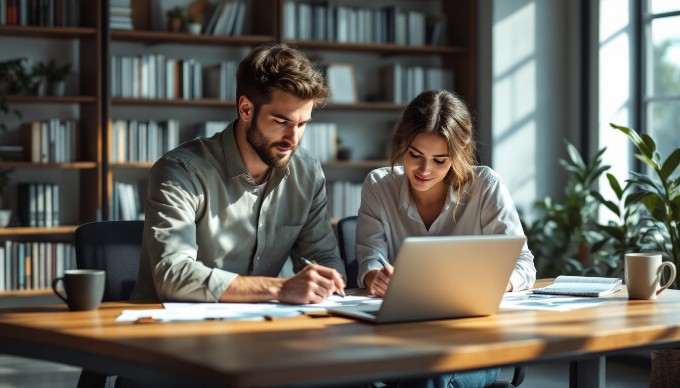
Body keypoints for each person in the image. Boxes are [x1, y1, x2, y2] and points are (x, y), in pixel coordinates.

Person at [130, 43, 346, 305]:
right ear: (246, 109)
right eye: (281, 122)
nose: (293, 138)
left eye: (302, 124)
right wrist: (279, 289)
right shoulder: (181, 171)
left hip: (258, 326)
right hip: (168, 330)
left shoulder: (307, 171)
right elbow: (173, 275)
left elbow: (324, 257)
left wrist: (328, 281)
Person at [356, 89, 536, 387]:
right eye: (415, 156)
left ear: (459, 154)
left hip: (475, 344)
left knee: (430, 372)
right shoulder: (379, 185)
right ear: (402, 144)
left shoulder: (485, 186)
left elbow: (524, 264)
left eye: (440, 160)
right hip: (402, 339)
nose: (425, 170)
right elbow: (370, 257)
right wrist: (373, 276)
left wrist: (492, 283)